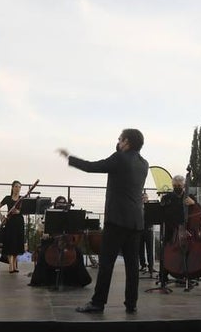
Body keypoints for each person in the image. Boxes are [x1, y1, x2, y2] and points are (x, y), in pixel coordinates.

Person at [59, 129, 148, 314]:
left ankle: (98, 303)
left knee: (106, 263)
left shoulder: (119, 158)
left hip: (117, 220)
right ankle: (131, 304)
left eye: (120, 139)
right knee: (132, 266)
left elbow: (92, 166)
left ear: (127, 142)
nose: (118, 141)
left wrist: (70, 158)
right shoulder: (144, 163)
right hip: (135, 222)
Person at [0, 181, 29, 275]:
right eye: (16, 186)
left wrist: (19, 212)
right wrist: (1, 216)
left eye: (19, 187)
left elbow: (25, 211)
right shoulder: (7, 198)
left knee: (17, 243)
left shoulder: (22, 199)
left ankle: (14, 265)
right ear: (12, 187)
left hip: (19, 222)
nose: (17, 188)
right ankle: (11, 265)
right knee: (10, 243)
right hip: (10, 222)